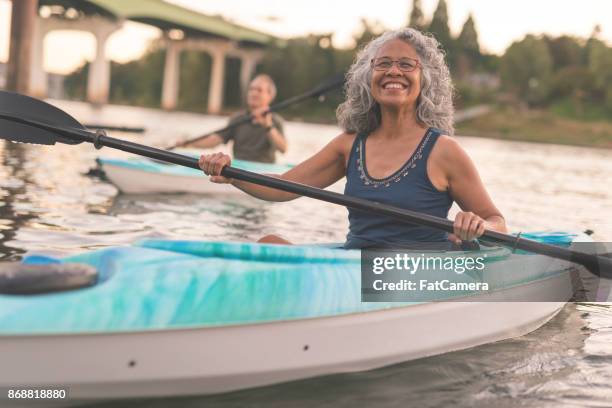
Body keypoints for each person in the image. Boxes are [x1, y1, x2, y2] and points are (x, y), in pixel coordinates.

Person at [198, 28, 507, 248]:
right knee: (268, 244)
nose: (393, 71)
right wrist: (230, 173)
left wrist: (479, 226)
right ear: (367, 77)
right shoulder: (349, 145)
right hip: (355, 267)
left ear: (425, 79)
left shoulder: (444, 151)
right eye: (383, 63)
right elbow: (280, 188)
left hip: (417, 273)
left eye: (406, 64)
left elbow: (497, 221)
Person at [184, 74, 287, 164]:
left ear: (270, 96)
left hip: (264, 170)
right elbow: (215, 140)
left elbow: (283, 149)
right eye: (251, 89)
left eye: (259, 90)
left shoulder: (276, 120)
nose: (254, 93)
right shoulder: (238, 118)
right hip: (239, 167)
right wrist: (188, 143)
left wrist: (268, 126)